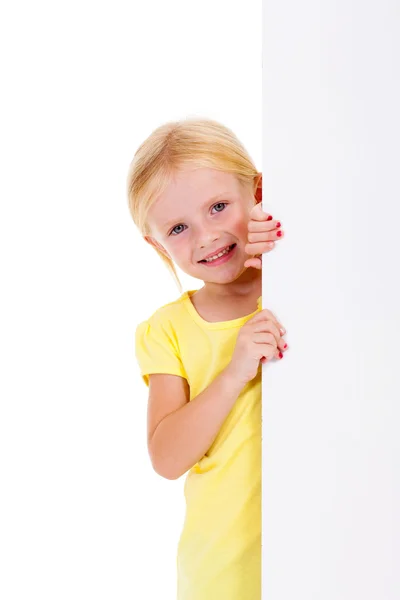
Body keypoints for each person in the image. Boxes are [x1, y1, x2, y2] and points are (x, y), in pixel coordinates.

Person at [126, 118, 288, 600]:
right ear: (158, 244)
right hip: (222, 576)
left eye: (219, 206)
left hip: (327, 554)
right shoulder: (168, 330)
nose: (206, 236)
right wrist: (235, 369)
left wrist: (285, 263)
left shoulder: (298, 283)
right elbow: (167, 457)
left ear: (258, 191)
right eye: (178, 228)